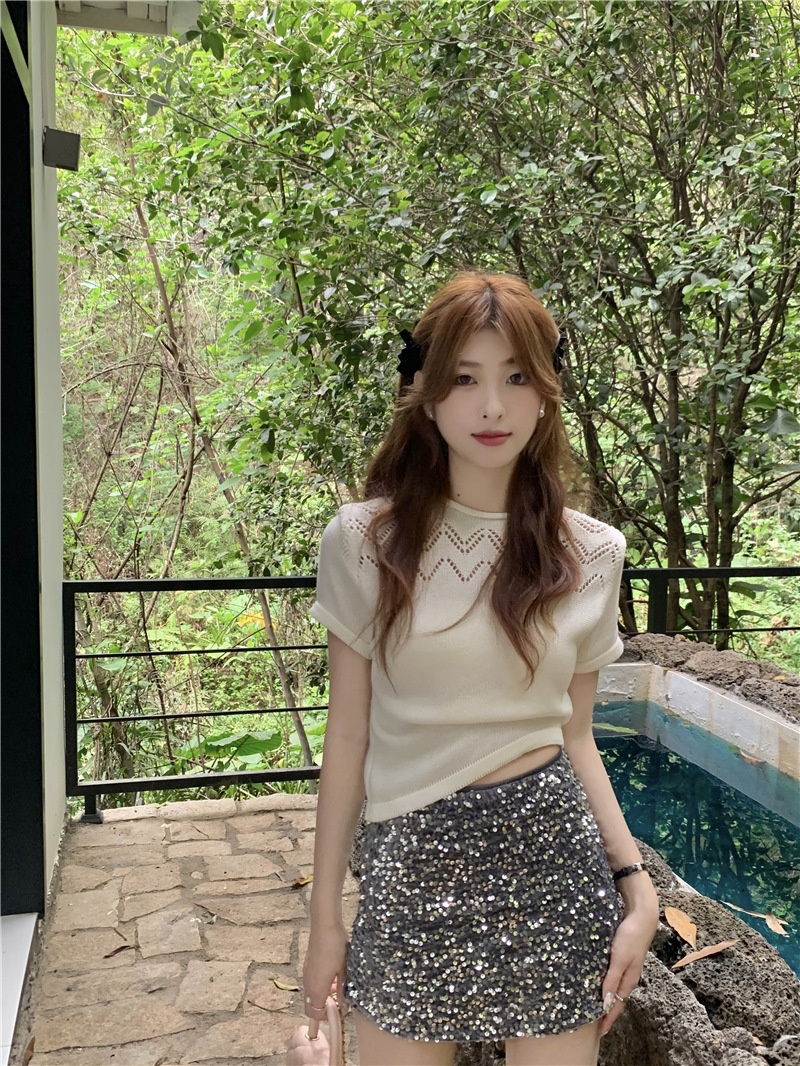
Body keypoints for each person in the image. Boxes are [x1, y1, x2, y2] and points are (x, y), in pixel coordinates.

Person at [302, 271, 660, 1066]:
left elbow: (576, 736)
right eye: (464, 379)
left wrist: (635, 883)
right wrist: (325, 918)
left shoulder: (593, 552)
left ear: (547, 394)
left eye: (517, 377)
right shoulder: (362, 541)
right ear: (425, 395)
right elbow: (348, 738)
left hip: (552, 866)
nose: (493, 406)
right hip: (409, 864)